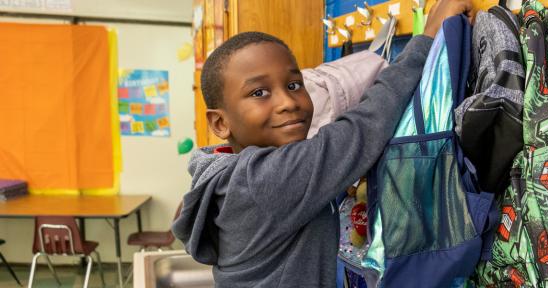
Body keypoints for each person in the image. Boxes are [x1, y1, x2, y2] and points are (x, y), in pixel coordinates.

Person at [172, 1, 474, 286]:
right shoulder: (263, 181)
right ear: (220, 123)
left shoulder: (223, 173)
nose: (288, 102)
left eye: (294, 85)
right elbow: (361, 129)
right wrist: (427, 38)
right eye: (259, 93)